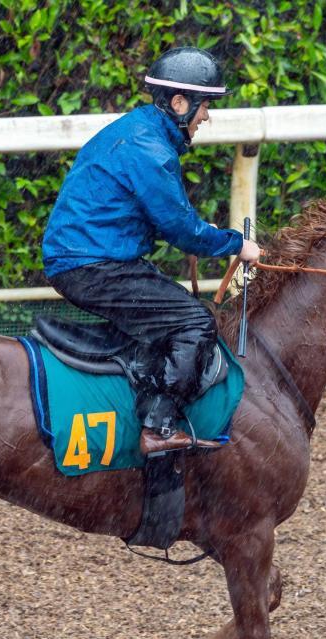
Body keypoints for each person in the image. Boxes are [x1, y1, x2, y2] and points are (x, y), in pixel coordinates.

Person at [42, 46, 261, 456]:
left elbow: (166, 218)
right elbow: (180, 228)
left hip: (90, 259)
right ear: (180, 103)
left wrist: (201, 233)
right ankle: (157, 429)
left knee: (173, 313)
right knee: (195, 323)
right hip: (93, 266)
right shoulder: (152, 150)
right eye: (204, 106)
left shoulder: (141, 129)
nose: (206, 117)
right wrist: (237, 244)